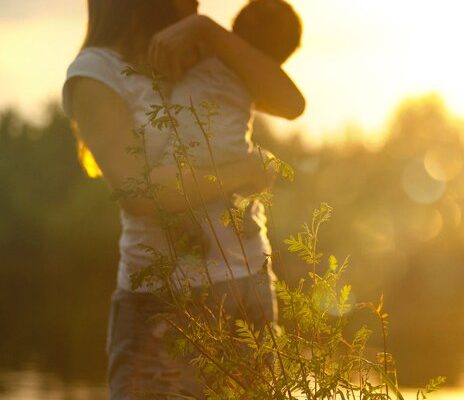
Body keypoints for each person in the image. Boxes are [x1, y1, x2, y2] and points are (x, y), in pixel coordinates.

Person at [61, 0, 304, 398]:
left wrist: (211, 33)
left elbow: (292, 104)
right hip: (160, 304)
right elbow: (138, 193)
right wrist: (243, 171)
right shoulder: (96, 71)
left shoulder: (208, 52)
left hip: (246, 288)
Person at [166, 0, 302, 271]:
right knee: (260, 166)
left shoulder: (201, 52)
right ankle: (242, 217)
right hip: (231, 155)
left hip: (186, 152)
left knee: (188, 183)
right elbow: (293, 104)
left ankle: (190, 230)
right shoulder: (251, 77)